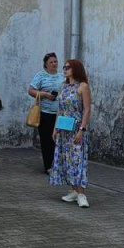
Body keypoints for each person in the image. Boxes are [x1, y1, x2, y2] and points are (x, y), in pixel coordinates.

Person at [50, 59, 92, 207]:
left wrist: (82, 129)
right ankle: (74, 191)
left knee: (78, 159)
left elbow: (87, 110)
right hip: (64, 128)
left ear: (75, 69)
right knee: (67, 159)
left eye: (68, 67)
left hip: (77, 128)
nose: (65, 69)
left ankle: (82, 194)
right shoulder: (63, 87)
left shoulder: (83, 87)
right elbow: (60, 109)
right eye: (64, 67)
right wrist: (55, 128)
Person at [28, 52, 62, 173]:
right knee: (46, 139)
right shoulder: (40, 76)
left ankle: (58, 164)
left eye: (55, 61)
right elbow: (31, 90)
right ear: (45, 65)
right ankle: (48, 165)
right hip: (44, 112)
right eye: (51, 62)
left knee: (59, 138)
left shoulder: (62, 76)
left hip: (59, 113)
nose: (54, 64)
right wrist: (45, 94)